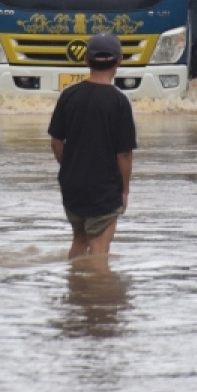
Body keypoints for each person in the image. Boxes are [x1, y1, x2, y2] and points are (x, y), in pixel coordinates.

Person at [48, 32, 137, 258]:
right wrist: (125, 190)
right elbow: (124, 154)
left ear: (86, 60)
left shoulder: (69, 96)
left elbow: (56, 142)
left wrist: (70, 168)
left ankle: (75, 288)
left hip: (72, 188)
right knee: (99, 249)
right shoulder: (119, 102)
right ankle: (96, 292)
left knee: (79, 240)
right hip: (104, 188)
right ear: (119, 60)